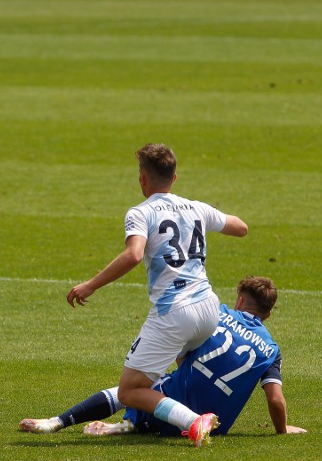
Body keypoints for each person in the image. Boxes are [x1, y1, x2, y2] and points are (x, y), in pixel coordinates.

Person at [65, 143, 249, 447]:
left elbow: (134, 255)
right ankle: (166, 420)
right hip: (208, 308)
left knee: (130, 391)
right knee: (177, 366)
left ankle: (193, 421)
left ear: (142, 178)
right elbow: (241, 228)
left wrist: (90, 285)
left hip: (175, 313)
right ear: (174, 178)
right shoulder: (196, 208)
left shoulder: (141, 213)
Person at [21, 276, 307, 441]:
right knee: (160, 386)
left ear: (240, 301)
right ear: (268, 314)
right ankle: (135, 424)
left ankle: (58, 421)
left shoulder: (217, 313)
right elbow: (274, 399)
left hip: (178, 406)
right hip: (216, 426)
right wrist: (282, 430)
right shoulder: (271, 349)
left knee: (130, 390)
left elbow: (182, 348)